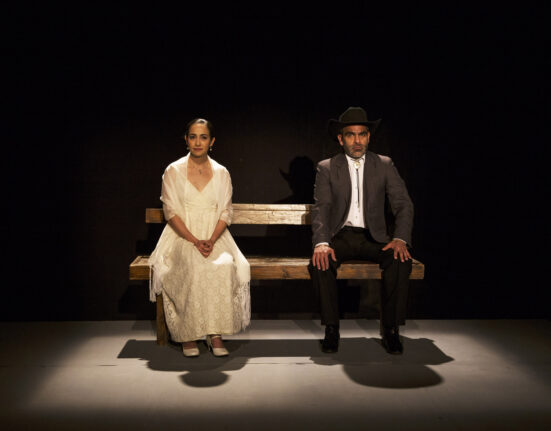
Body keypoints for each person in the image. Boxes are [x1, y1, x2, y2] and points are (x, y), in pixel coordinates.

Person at [308, 107, 414, 355]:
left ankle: (391, 329)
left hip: (374, 238)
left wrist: (400, 238)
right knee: (320, 261)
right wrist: (321, 242)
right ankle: (331, 328)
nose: (357, 141)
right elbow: (321, 208)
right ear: (340, 139)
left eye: (362, 134)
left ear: (368, 137)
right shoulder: (327, 167)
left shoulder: (384, 164)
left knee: (400, 259)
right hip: (340, 236)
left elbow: (403, 204)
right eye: (351, 135)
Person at [148, 118, 250, 357]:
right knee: (193, 264)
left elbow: (226, 212)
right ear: (186, 140)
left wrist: (211, 240)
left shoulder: (221, 172)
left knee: (223, 265)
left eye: (203, 137)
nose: (197, 142)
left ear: (212, 141)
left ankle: (215, 333)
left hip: (215, 235)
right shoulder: (173, 170)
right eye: (193, 137)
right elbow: (170, 212)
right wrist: (195, 240)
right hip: (182, 236)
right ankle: (189, 333)